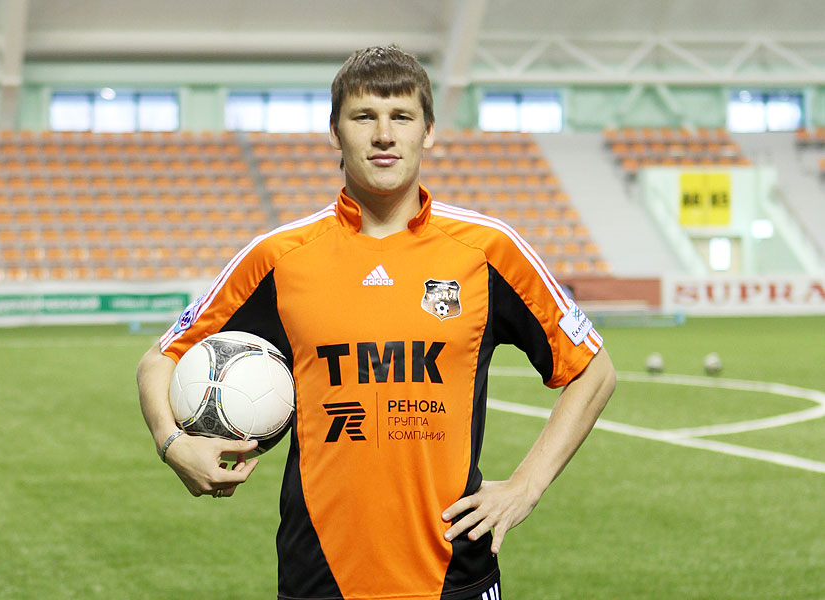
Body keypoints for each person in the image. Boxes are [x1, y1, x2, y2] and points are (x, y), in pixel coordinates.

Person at [137, 44, 616, 600]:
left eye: (401, 117)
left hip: (455, 574)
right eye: (364, 116)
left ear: (428, 132)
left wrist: (526, 487)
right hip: (319, 575)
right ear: (334, 132)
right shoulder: (279, 257)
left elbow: (594, 370)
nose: (384, 135)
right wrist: (172, 444)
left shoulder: (489, 250)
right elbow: (160, 359)